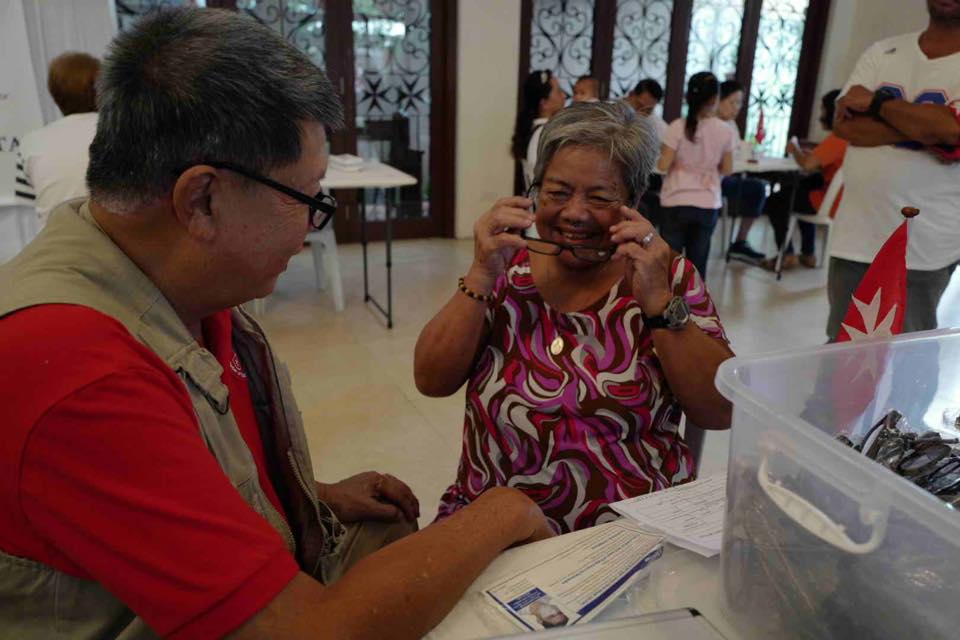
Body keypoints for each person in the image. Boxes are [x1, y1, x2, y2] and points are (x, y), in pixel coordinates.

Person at [0, 9, 553, 639]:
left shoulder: (168, 274)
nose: (317, 224)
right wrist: (502, 510)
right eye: (310, 197)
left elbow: (157, 477)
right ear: (203, 200)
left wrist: (302, 494)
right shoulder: (77, 369)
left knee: (388, 532)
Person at [415, 101, 734, 534]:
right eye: (558, 192)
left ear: (635, 202)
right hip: (492, 524)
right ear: (535, 190)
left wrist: (660, 305)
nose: (575, 213)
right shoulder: (508, 267)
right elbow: (430, 381)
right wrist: (480, 272)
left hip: (622, 531)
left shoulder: (664, 274)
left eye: (600, 197)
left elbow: (719, 411)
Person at [827, 0, 960, 340]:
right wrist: (929, 128)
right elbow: (845, 127)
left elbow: (952, 133)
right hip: (857, 233)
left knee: (904, 358)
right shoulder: (883, 51)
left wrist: (877, 104)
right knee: (841, 353)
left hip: (924, 244)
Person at [657, 72, 737, 279]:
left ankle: (666, 307)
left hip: (675, 200)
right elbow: (728, 169)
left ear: (687, 97)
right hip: (707, 202)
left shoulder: (676, 127)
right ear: (715, 99)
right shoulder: (725, 130)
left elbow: (663, 165)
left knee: (670, 264)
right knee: (697, 265)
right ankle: (694, 306)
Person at [760, 89, 848, 271]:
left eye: (823, 110)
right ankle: (808, 254)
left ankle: (787, 254)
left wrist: (795, 150)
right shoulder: (851, 137)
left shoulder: (839, 137)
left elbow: (808, 165)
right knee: (801, 189)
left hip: (826, 201)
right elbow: (818, 161)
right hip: (837, 199)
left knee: (775, 201)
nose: (820, 116)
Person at [15, 52, 100, 226]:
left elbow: (32, 200)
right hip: (115, 246)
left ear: (54, 93)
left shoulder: (30, 143)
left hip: (55, 246)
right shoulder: (125, 131)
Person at [716, 80, 767, 263]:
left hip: (725, 177)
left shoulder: (731, 125)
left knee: (758, 188)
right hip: (709, 181)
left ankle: (740, 241)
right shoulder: (708, 123)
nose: (737, 108)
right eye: (733, 102)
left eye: (740, 103)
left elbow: (736, 153)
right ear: (718, 99)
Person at [512, 70, 566, 190]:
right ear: (544, 103)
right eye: (559, 91)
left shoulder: (536, 131)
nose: (564, 95)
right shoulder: (544, 134)